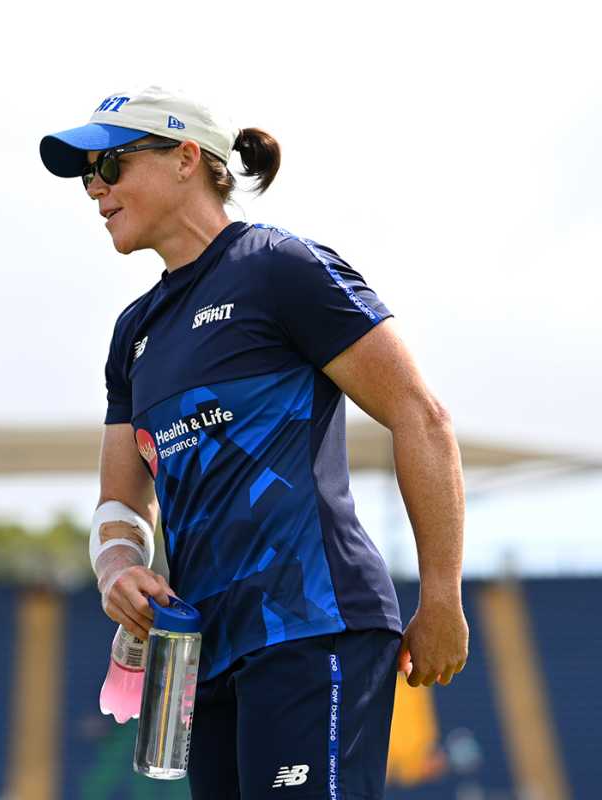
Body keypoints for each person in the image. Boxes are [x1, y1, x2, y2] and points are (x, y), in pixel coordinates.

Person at [40, 86, 469, 799]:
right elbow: (120, 498)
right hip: (203, 657)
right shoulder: (133, 334)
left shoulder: (279, 267)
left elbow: (420, 415)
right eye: (86, 175)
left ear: (186, 159)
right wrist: (117, 566)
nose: (94, 189)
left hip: (314, 628)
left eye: (109, 165)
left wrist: (442, 594)